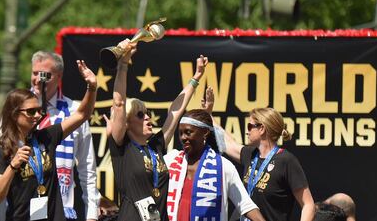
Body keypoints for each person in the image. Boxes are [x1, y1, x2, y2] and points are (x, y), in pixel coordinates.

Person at [0, 51, 100, 221]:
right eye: (35, 73)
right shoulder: (5, 145)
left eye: (39, 111)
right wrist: (13, 166)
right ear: (15, 115)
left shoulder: (47, 136)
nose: (38, 116)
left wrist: (92, 87)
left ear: (59, 76)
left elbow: (82, 116)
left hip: (57, 212)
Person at [107, 39, 208, 220]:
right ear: (126, 123)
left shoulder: (155, 147)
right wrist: (123, 65)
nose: (147, 117)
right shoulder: (122, 147)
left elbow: (175, 113)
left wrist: (196, 78)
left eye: (147, 113)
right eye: (140, 115)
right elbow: (119, 103)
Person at [209, 89, 315, 221]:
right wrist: (209, 116)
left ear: (262, 129)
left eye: (249, 126)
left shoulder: (286, 161)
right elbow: (228, 143)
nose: (247, 132)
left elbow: (308, 204)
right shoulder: (251, 154)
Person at [163, 108, 266, 221]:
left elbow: (246, 206)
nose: (183, 138)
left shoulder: (223, 166)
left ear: (205, 132)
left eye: (188, 132)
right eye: (180, 133)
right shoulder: (170, 160)